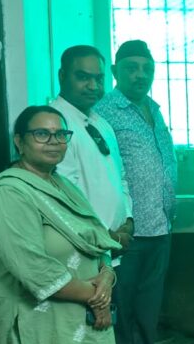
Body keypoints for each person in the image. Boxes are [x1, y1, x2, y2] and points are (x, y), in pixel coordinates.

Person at [0, 106, 124, 344]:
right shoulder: (7, 194)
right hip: (39, 327)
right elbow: (34, 269)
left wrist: (107, 277)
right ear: (19, 141)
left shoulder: (63, 186)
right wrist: (97, 298)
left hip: (80, 325)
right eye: (41, 133)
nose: (53, 141)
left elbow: (99, 240)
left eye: (60, 134)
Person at [94, 39, 186, 344]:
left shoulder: (154, 109)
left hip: (160, 228)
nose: (140, 75)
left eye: (146, 68)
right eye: (131, 68)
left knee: (148, 313)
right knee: (124, 315)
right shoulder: (104, 112)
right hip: (126, 233)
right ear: (116, 72)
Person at [50, 45, 134, 259]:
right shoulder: (55, 122)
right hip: (82, 251)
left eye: (99, 78)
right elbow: (64, 194)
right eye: (83, 77)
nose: (93, 86)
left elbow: (120, 178)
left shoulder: (102, 123)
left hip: (115, 245)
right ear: (62, 76)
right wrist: (106, 236)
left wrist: (127, 220)